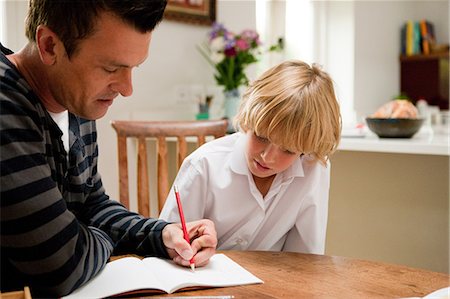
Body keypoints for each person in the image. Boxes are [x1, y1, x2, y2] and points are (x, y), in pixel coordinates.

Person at [0, 0, 217, 297]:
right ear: (50, 45)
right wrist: (99, 237)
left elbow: (92, 204)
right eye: (111, 68)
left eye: (133, 68)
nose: (127, 89)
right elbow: (59, 265)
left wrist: (161, 234)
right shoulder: (5, 104)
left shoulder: (73, 99)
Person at [160, 60, 341, 254]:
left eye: (288, 150)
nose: (267, 157)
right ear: (249, 119)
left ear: (305, 150)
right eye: (261, 137)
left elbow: (305, 258)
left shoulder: (313, 168)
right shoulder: (203, 165)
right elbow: (167, 248)